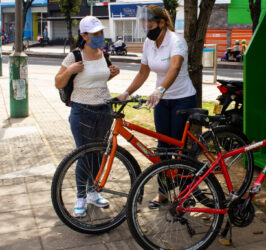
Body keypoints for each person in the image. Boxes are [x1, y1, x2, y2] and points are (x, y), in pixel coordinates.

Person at [117, 5, 196, 209]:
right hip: (161, 101)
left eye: (149, 24)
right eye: (143, 24)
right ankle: (163, 192)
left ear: (161, 23)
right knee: (162, 149)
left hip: (182, 99)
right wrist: (127, 92)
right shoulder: (149, 42)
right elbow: (143, 73)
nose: (146, 28)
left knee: (178, 148)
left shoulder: (176, 41)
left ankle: (186, 192)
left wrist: (160, 89)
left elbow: (175, 67)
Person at [55, 16, 120, 217]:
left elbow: (99, 78)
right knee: (84, 155)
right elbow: (58, 82)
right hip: (82, 112)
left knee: (99, 154)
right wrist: (71, 71)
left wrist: (112, 73)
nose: (100, 37)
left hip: (104, 111)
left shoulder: (103, 54)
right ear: (84, 36)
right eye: (95, 34)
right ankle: (81, 197)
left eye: (101, 32)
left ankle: (93, 192)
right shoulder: (74, 56)